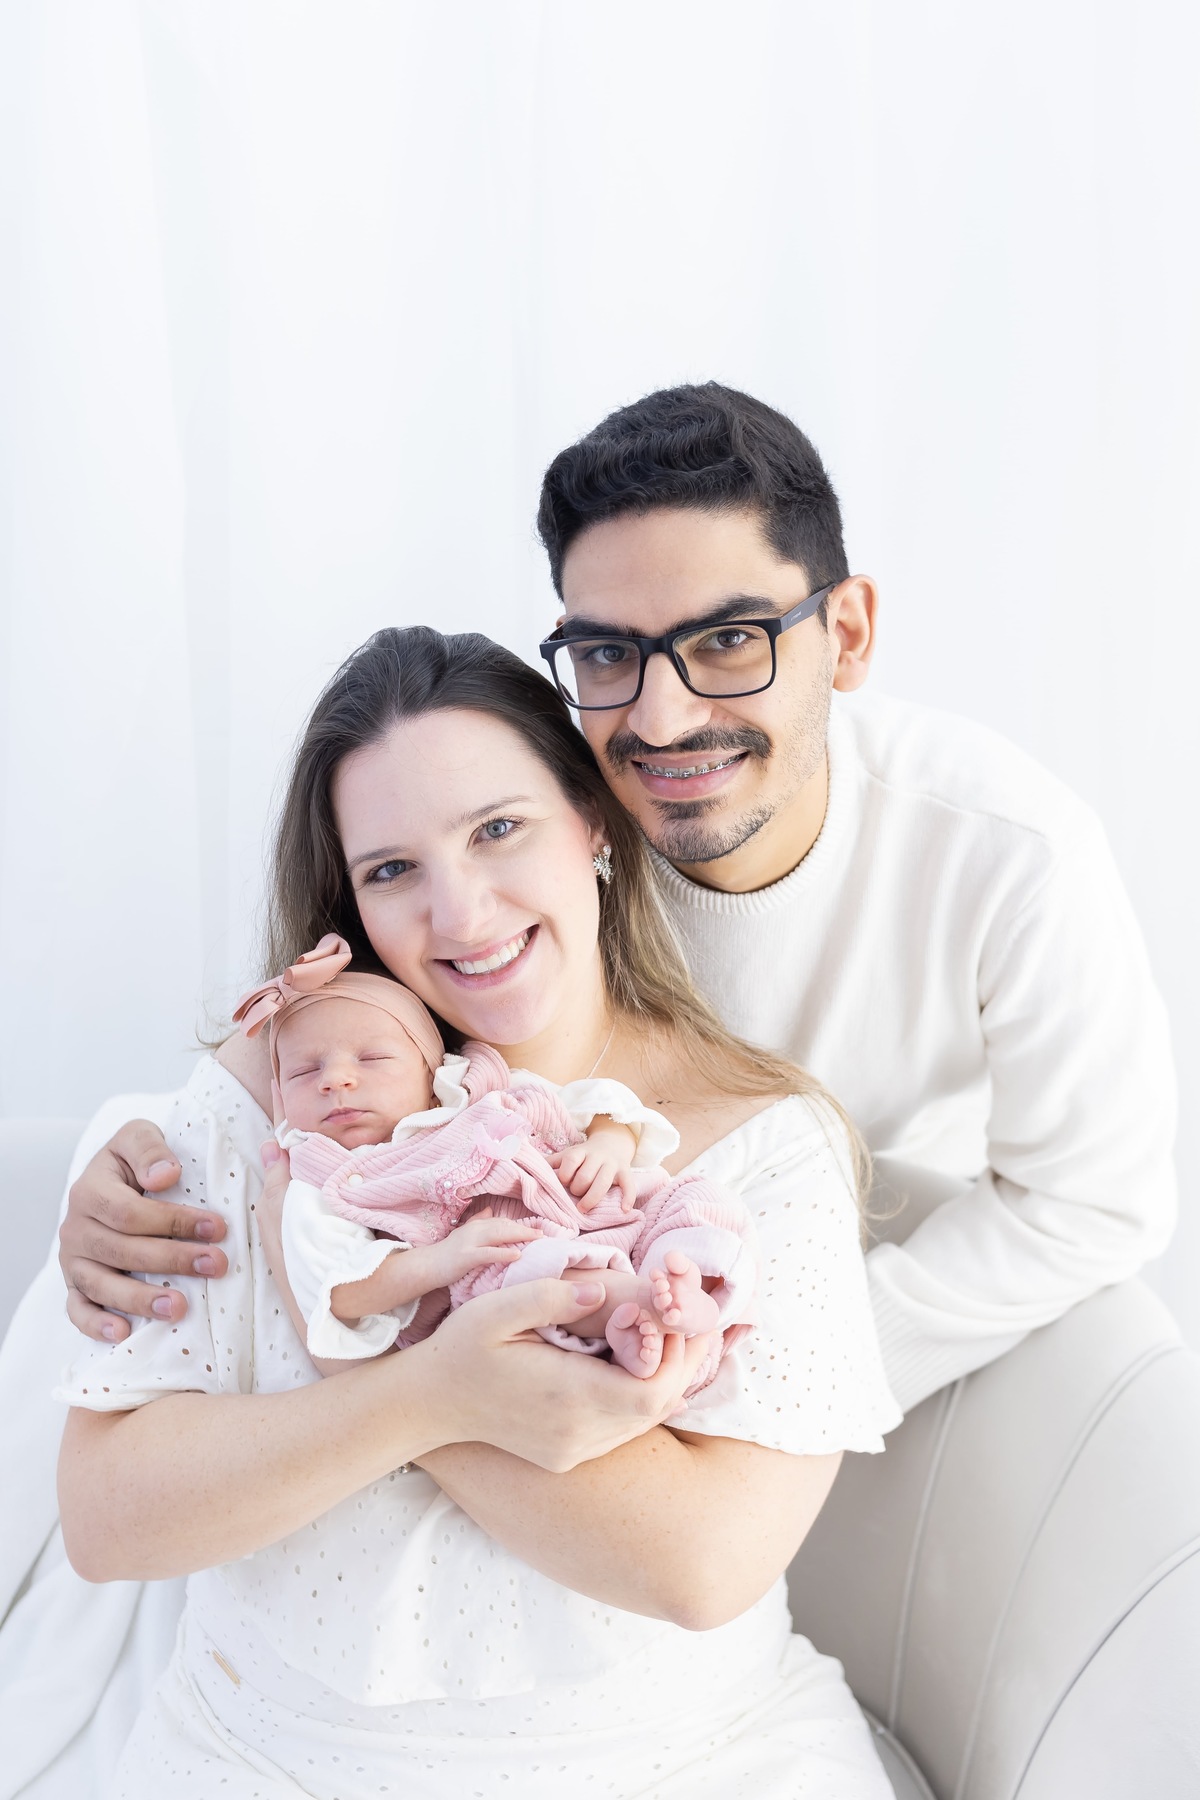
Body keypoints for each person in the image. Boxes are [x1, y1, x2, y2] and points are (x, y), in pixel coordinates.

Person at [50, 626, 901, 1797]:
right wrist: (437, 1389)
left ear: (592, 821)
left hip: (672, 1761)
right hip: (273, 1755)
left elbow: (704, 1564)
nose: (459, 915)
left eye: (498, 830)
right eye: (391, 869)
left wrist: (367, 1355)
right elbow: (109, 1519)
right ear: (347, 897)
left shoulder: (754, 1136)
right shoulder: (280, 1100)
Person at [235, 931, 753, 1378]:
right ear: (282, 1097)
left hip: (598, 1209)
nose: (337, 1080)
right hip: (491, 1269)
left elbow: (595, 1102)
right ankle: (638, 1310)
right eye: (305, 1072)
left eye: (372, 1059)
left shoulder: (475, 1088)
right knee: (532, 1272)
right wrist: (442, 1259)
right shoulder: (325, 1183)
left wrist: (607, 1144)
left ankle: (686, 1282)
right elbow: (343, 1291)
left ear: (429, 1066)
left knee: (691, 1197)